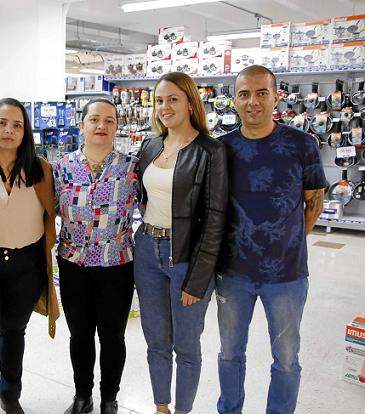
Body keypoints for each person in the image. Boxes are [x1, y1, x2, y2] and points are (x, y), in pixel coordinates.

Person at [216, 65, 326, 414]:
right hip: (233, 274)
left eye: (261, 93)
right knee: (230, 354)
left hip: (288, 276)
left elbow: (314, 199)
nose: (253, 102)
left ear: (275, 96)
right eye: (245, 94)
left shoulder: (301, 144)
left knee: (287, 359)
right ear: (234, 100)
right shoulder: (221, 149)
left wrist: (289, 239)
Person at [134, 72, 228, 414]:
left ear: (190, 102)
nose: (165, 107)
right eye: (160, 100)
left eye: (173, 99)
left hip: (187, 256)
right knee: (156, 341)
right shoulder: (151, 145)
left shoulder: (211, 150)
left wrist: (199, 278)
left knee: (187, 346)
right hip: (147, 250)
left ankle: (184, 411)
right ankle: (161, 407)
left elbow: (216, 217)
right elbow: (144, 198)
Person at [0, 97, 59, 414]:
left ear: (25, 132)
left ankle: (9, 393)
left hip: (26, 266)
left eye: (17, 125)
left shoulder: (41, 170)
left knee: (15, 332)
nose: (9, 130)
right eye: (2, 123)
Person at [53, 98, 138, 414]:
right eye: (95, 120)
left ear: (117, 126)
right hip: (74, 264)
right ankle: (82, 395)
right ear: (82, 124)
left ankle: (109, 398)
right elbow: (45, 211)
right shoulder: (61, 167)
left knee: (113, 336)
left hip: (117, 264)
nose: (102, 126)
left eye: (110, 121)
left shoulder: (131, 168)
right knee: (80, 335)